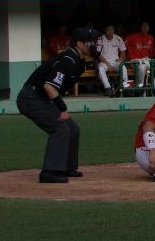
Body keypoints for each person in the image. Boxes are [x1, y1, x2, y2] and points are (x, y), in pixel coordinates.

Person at [16, 26, 98, 183]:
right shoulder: (68, 59)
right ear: (80, 44)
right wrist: (62, 109)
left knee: (73, 129)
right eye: (90, 42)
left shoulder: (78, 61)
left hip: (40, 97)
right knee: (60, 129)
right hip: (31, 98)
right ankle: (49, 172)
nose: (94, 45)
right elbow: (49, 86)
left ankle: (67, 167)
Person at [95, 24, 129, 96]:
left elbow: (123, 51)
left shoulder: (118, 38)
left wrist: (120, 60)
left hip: (115, 61)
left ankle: (125, 87)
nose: (110, 31)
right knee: (100, 68)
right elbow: (99, 54)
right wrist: (108, 64)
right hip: (104, 62)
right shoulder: (100, 39)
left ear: (113, 30)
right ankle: (108, 88)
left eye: (112, 29)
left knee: (123, 67)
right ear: (105, 30)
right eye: (108, 29)